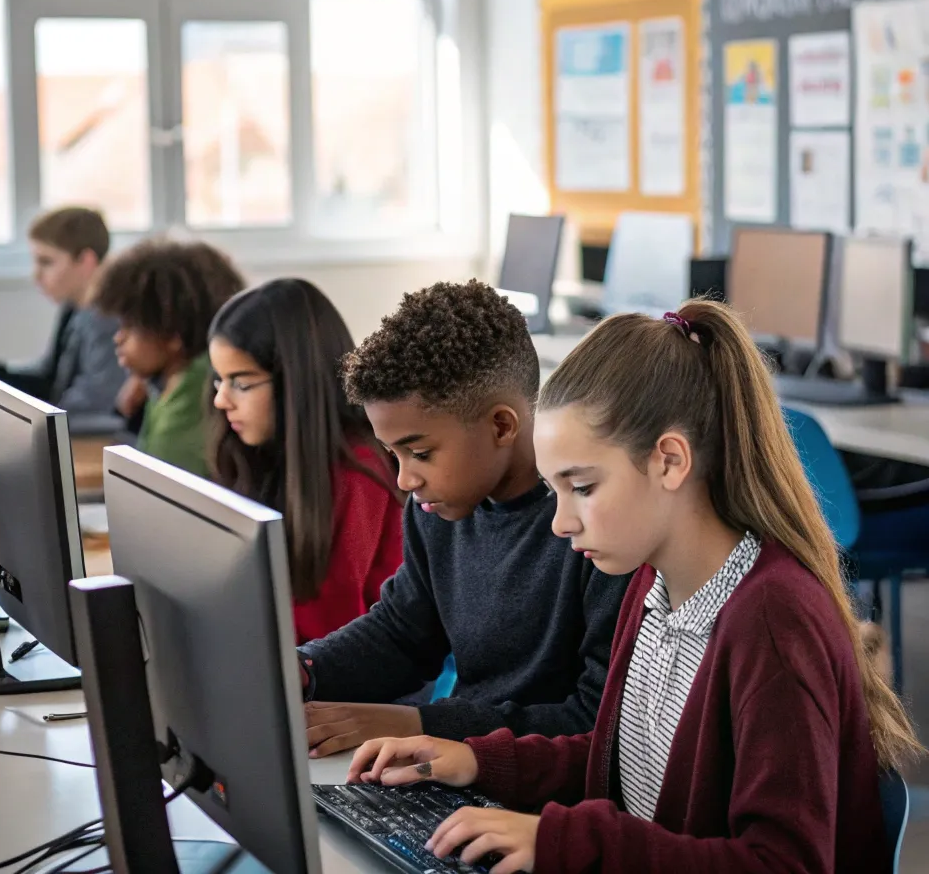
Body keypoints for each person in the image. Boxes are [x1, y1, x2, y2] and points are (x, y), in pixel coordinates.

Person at [349, 299, 921, 874]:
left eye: (583, 487)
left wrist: (563, 841)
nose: (560, 522)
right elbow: (617, 762)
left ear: (669, 461)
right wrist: (476, 761)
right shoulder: (651, 586)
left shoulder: (770, 618)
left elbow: (783, 863)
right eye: (555, 490)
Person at [298, 280, 630, 758]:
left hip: (539, 787)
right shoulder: (436, 507)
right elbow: (405, 630)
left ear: (501, 425)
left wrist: (421, 724)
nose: (405, 480)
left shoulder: (591, 526)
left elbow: (594, 720)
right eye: (393, 455)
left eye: (420, 452)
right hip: (459, 765)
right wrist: (307, 669)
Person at [208, 279, 404, 644]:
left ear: (296, 383)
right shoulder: (264, 455)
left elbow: (333, 629)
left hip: (346, 680)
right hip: (290, 664)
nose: (221, 400)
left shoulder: (358, 474)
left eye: (241, 383)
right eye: (219, 380)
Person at [92, 238, 244, 478]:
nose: (119, 338)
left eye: (131, 326)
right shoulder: (174, 375)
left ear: (172, 333)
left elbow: (159, 477)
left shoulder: (195, 394)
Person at [0, 206, 124, 413]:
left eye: (46, 262)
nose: (36, 276)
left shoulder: (107, 320)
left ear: (86, 261)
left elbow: (95, 401)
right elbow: (50, 375)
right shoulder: (74, 307)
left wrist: (33, 418)